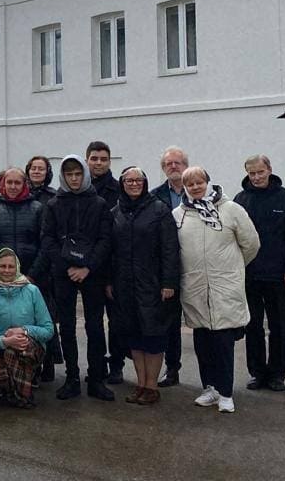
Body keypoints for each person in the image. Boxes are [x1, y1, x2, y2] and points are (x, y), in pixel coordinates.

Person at [176, 167, 260, 413]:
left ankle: (225, 392)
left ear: (208, 182)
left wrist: (233, 268)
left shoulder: (231, 209)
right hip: (195, 288)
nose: (195, 187)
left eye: (199, 182)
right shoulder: (179, 214)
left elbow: (251, 244)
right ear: (185, 188)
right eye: (190, 184)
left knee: (223, 341)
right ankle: (209, 388)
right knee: (202, 342)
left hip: (224, 286)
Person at [40, 155, 114, 401]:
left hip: (92, 274)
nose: (74, 178)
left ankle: (96, 379)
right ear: (64, 176)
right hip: (63, 274)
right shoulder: (54, 204)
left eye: (78, 174)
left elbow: (105, 240)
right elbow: (48, 239)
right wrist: (67, 266)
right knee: (68, 327)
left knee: (94, 326)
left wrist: (87, 268)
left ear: (85, 174)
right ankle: (72, 377)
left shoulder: (99, 203)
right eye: (69, 174)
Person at [107, 167, 180, 406]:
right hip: (124, 286)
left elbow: (170, 249)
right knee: (134, 337)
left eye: (138, 180)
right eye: (129, 180)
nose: (134, 184)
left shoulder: (159, 210)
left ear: (145, 183)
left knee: (154, 337)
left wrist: (169, 282)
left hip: (153, 285)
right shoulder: (115, 212)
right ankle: (140, 383)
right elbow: (110, 252)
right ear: (122, 183)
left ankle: (152, 386)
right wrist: (108, 280)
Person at [233, 155, 285, 392]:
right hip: (250, 274)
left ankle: (277, 374)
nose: (256, 177)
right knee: (252, 326)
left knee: (279, 326)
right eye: (252, 173)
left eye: (260, 172)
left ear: (269, 170)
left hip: (278, 274)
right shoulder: (240, 200)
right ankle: (257, 372)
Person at [0, 168, 57, 382]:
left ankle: (43, 366)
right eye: (9, 183)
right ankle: (7, 369)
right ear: (3, 185)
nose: (13, 187)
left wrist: (32, 274)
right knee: (4, 322)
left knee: (38, 320)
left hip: (34, 276)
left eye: (17, 183)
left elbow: (45, 243)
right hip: (2, 276)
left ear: (24, 185)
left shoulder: (37, 208)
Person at [0, 248, 53, 408]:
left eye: (10, 266)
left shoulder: (32, 291)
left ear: (17, 267)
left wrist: (24, 330)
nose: (7, 270)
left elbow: (48, 329)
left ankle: (22, 396)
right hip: (1, 347)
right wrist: (5, 341)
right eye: (2, 266)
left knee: (14, 352)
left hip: (29, 346)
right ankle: (22, 386)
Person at [86, 141, 124, 384]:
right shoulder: (79, 186)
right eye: (94, 158)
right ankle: (96, 366)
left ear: (109, 162)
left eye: (103, 159)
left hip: (111, 265)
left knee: (116, 320)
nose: (98, 163)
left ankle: (117, 364)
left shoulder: (119, 189)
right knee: (93, 322)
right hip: (85, 265)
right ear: (87, 160)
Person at [151, 146, 188, 388]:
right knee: (171, 323)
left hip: (195, 264)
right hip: (168, 266)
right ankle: (172, 368)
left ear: (186, 165)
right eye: (168, 164)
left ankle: (213, 373)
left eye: (177, 163)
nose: (173, 167)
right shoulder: (155, 196)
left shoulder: (199, 190)